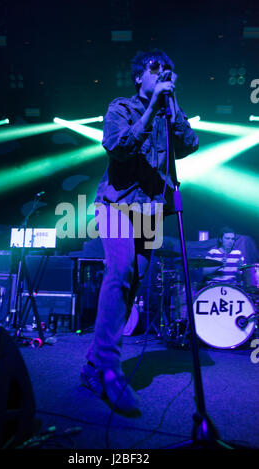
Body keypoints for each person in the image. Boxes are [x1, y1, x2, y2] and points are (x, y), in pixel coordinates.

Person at [80, 49, 199, 413]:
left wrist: (172, 106)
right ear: (138, 77)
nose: (163, 73)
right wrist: (151, 112)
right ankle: (111, 370)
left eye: (169, 70)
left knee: (132, 283)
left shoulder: (168, 114)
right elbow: (117, 149)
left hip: (150, 212)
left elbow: (190, 145)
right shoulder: (121, 108)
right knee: (121, 270)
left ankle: (91, 365)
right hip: (116, 205)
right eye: (155, 68)